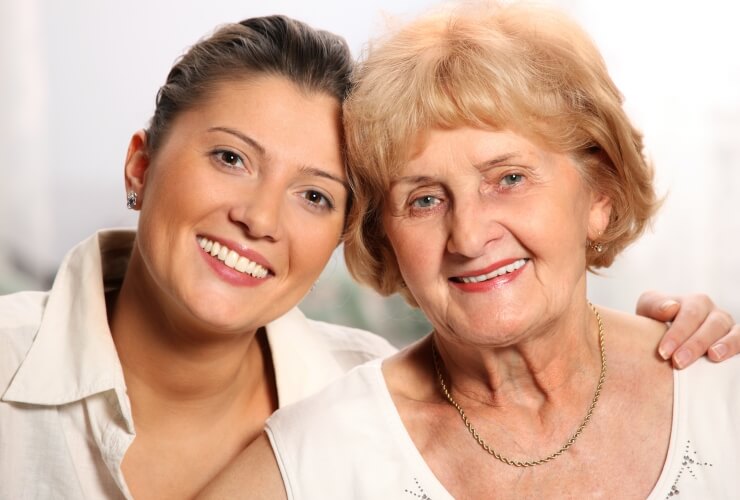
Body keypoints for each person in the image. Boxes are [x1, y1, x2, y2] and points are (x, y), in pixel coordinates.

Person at [0, 12, 734, 500]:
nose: (470, 235)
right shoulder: (335, 434)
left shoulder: (712, 376)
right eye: (423, 198)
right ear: (140, 166)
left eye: (315, 195)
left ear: (599, 195)